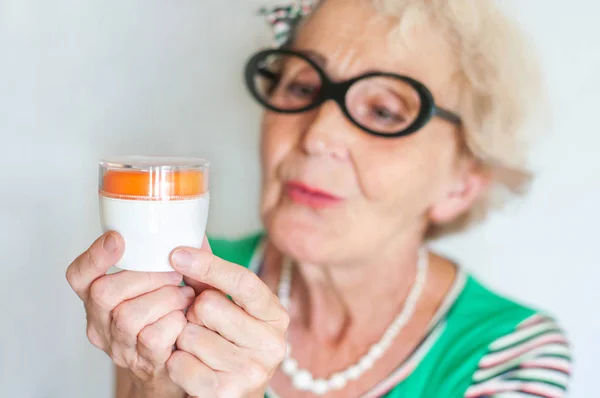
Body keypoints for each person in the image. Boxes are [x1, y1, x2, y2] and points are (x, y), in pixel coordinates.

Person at [66, 0, 573, 397]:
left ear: (460, 185)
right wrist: (154, 386)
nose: (317, 134)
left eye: (383, 113)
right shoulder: (170, 285)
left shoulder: (510, 352)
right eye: (302, 87)